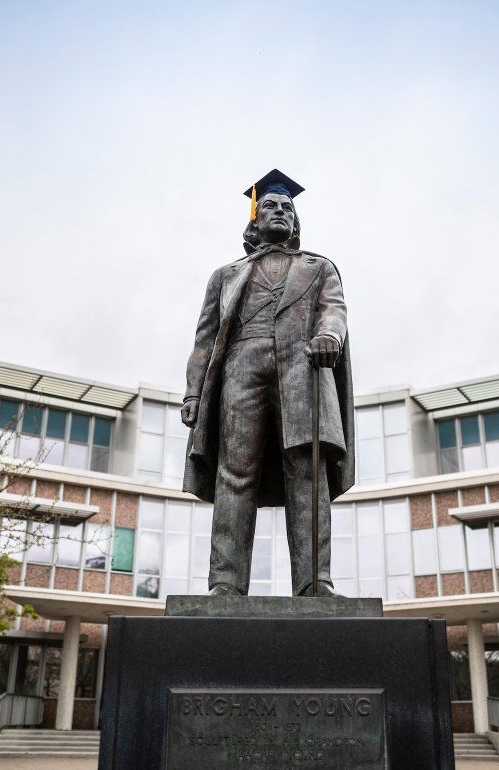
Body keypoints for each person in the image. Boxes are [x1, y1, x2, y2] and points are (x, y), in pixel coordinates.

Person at [181, 169, 355, 597]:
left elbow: (334, 310)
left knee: (307, 476)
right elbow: (204, 340)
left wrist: (329, 337)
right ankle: (224, 584)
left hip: (304, 368)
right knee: (234, 474)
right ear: (254, 222)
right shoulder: (225, 275)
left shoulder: (320, 268)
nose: (280, 212)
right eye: (270, 207)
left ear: (296, 224)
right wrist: (193, 391)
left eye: (288, 208)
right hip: (242, 369)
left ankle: (316, 583)